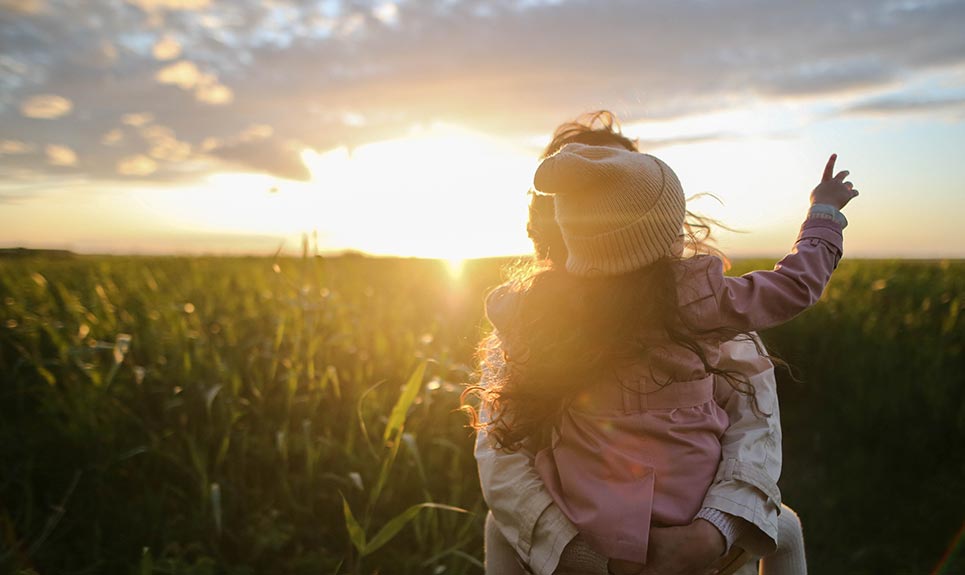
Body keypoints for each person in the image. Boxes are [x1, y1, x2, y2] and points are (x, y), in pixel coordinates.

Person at [466, 112, 856, 574]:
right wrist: (824, 217)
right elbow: (794, 286)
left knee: (499, 526)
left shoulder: (535, 311)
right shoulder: (702, 301)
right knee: (783, 528)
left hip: (618, 524)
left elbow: (753, 423)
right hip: (648, 521)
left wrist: (710, 531)